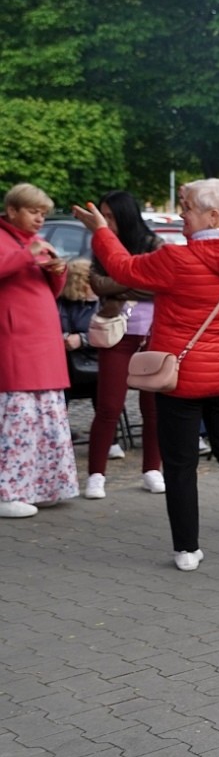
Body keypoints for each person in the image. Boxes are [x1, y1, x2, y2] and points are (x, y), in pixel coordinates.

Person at [74, 178, 219, 571]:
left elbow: (122, 267)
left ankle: (187, 550)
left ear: (212, 215)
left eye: (188, 207)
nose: (182, 213)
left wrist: (100, 229)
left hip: (181, 377)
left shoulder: (177, 260)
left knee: (181, 464)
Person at [0, 182, 78, 518]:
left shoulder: (36, 242)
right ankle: (9, 491)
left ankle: (46, 485)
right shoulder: (8, 240)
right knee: (18, 421)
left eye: (43, 213)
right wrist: (24, 256)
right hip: (15, 339)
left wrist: (58, 273)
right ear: (13, 210)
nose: (40, 219)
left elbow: (48, 290)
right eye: (34, 211)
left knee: (48, 417)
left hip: (43, 340)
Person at [85, 190, 166, 500]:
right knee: (108, 406)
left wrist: (122, 282)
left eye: (111, 215)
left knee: (153, 408)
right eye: (102, 215)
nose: (105, 221)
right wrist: (137, 279)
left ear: (126, 215)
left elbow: (159, 284)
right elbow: (97, 284)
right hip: (115, 334)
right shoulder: (101, 244)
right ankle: (96, 475)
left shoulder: (153, 244)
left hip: (153, 333)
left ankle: (151, 469)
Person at [58, 258, 100, 396]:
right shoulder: (59, 304)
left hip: (96, 362)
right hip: (66, 366)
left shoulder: (102, 303)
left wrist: (83, 339)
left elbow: (111, 334)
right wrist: (64, 339)